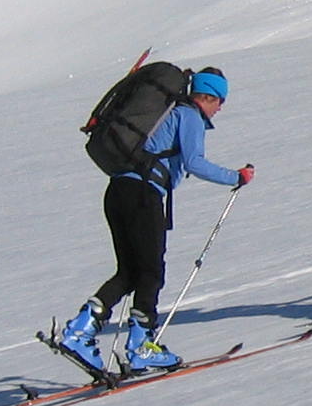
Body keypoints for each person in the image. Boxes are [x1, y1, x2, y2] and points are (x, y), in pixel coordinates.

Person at [57, 68, 253, 374]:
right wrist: (236, 176)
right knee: (150, 271)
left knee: (129, 273)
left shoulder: (171, 113)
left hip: (119, 190)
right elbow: (194, 162)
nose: (221, 108)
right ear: (209, 96)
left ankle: (80, 332)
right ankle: (140, 347)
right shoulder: (188, 115)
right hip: (143, 195)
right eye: (220, 100)